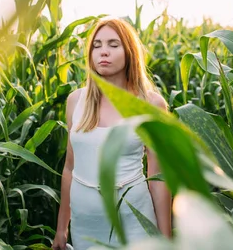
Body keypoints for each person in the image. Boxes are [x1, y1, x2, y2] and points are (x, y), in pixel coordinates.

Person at [52, 17, 172, 250]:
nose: (103, 52)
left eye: (113, 45)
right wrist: (61, 229)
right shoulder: (76, 101)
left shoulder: (151, 104)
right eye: (97, 45)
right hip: (84, 224)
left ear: (129, 51)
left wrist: (166, 239)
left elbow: (158, 177)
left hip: (134, 219)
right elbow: (69, 168)